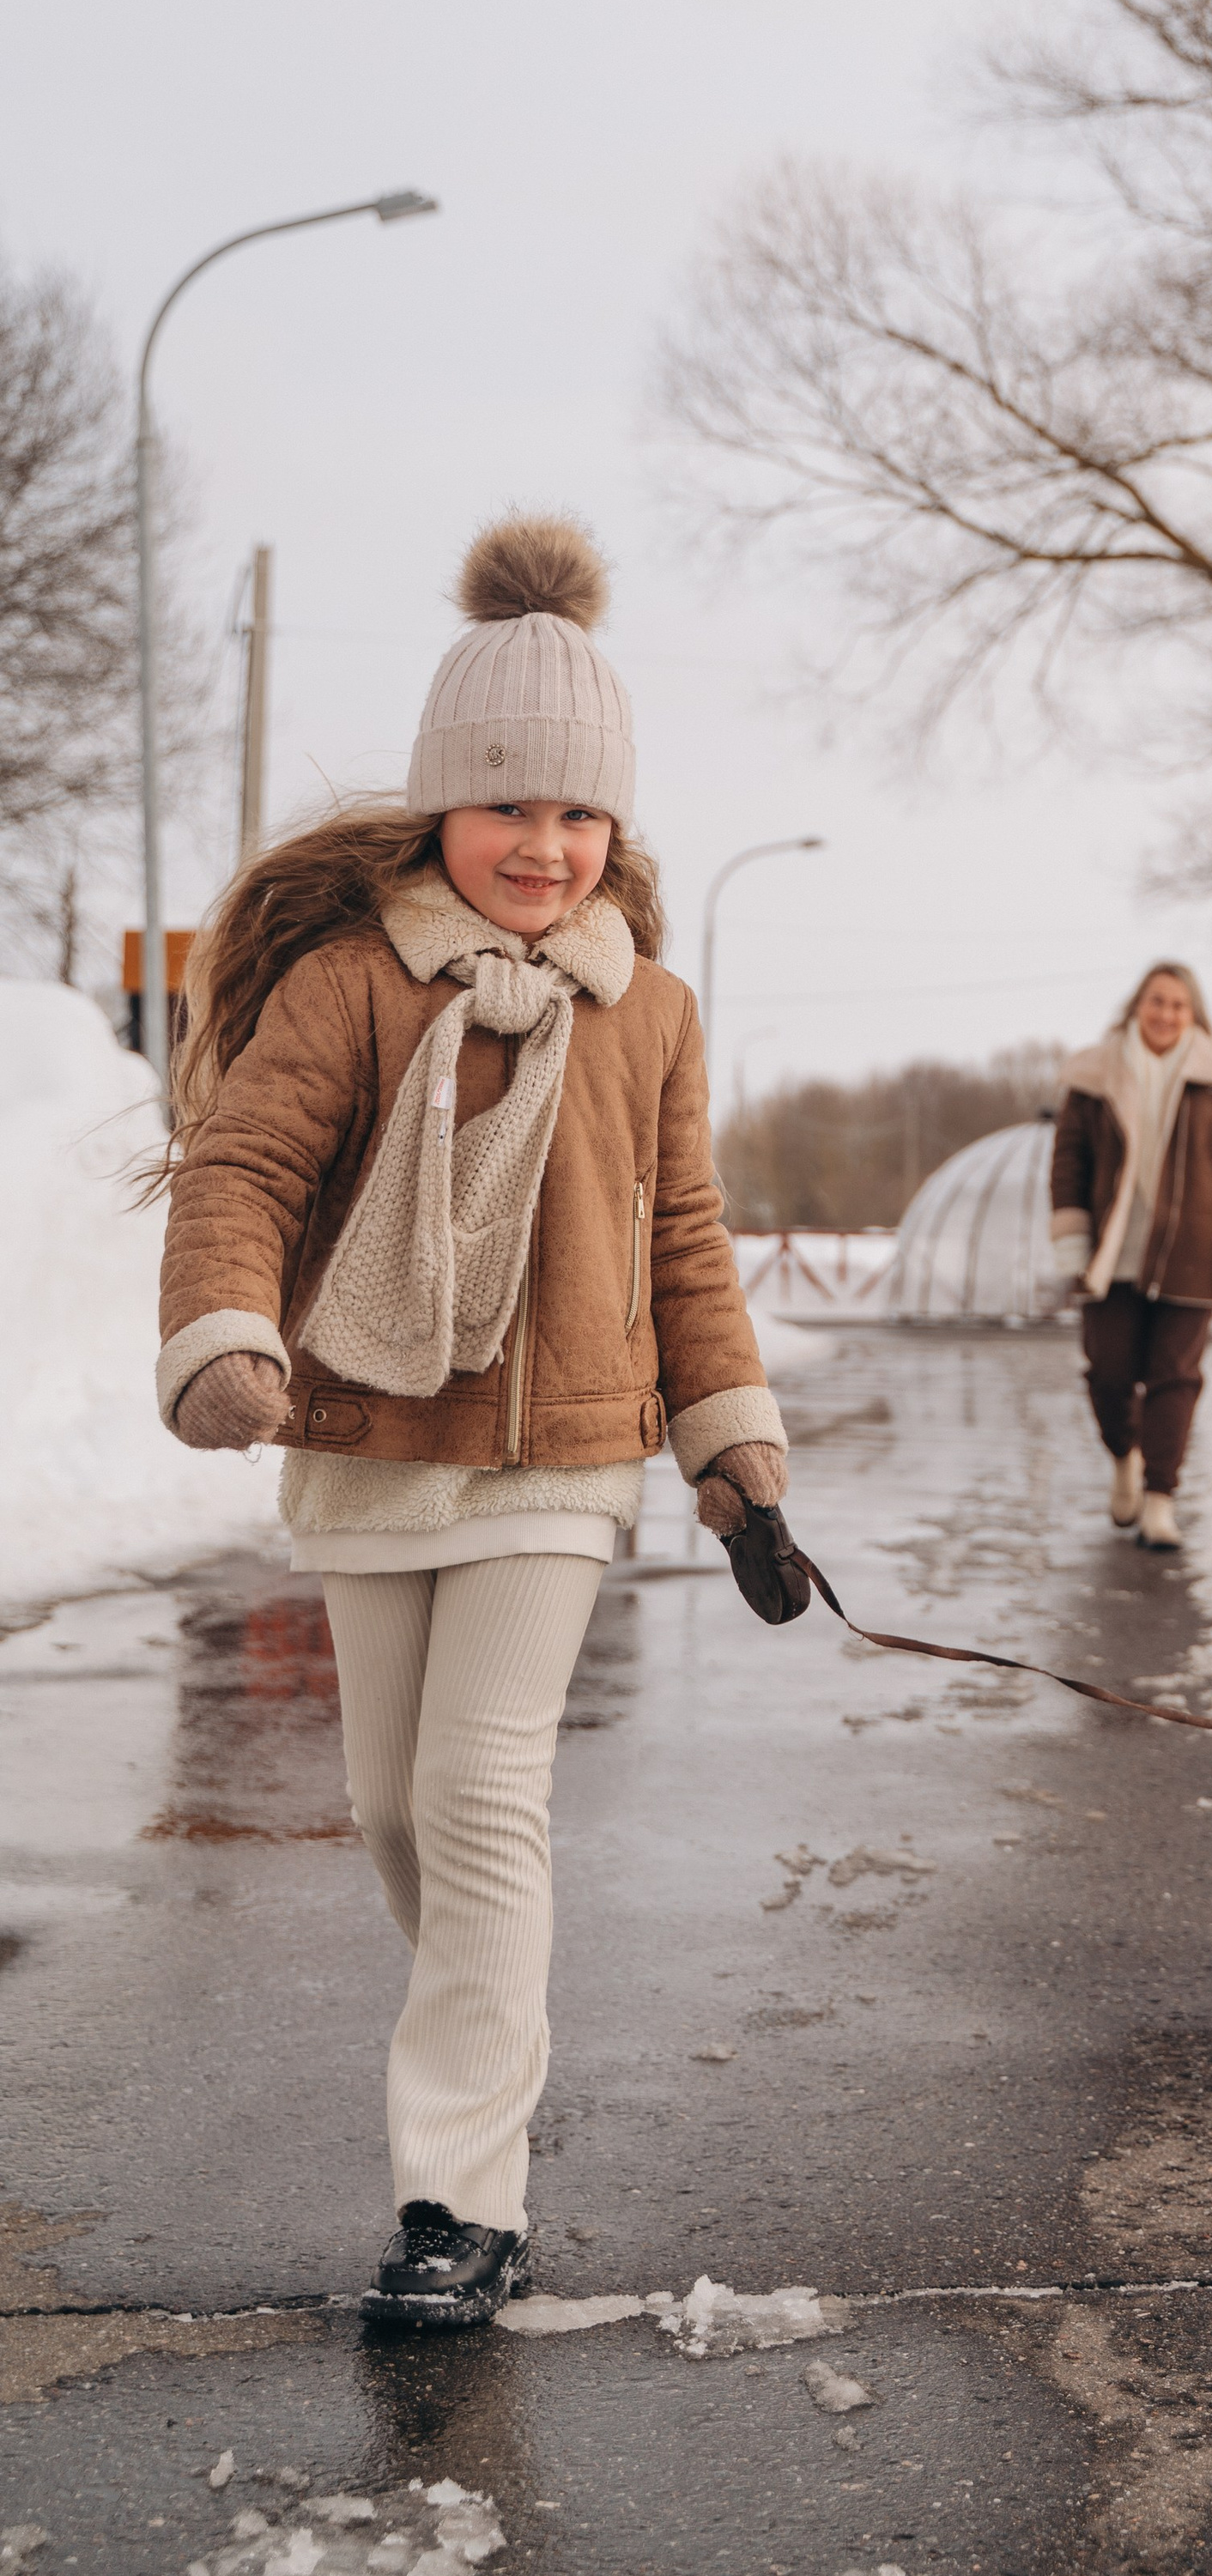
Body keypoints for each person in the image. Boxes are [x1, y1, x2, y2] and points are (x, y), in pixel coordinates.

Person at [155, 513, 787, 2329]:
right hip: (367, 1435)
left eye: (576, 814)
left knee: (479, 1789)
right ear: (443, 812)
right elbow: (244, 1162)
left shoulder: (648, 1010)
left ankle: (460, 2199)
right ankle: (486, 2024)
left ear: (613, 830)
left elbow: (683, 1232)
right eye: (508, 808)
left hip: (561, 1456)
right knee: (386, 1809)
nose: (542, 845)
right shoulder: (354, 981)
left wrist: (732, 1447)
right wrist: (219, 1328)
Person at [1048, 962, 1212, 1549]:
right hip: (1112, 1253)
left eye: (1179, 1004)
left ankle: (1160, 1502)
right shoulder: (1093, 1074)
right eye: (1157, 1001)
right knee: (1109, 1373)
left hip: (1193, 1253)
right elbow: (1069, 1160)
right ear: (1136, 1006)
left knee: (1176, 1378)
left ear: (1193, 1013)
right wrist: (1071, 1235)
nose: (1167, 1013)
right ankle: (1125, 1457)